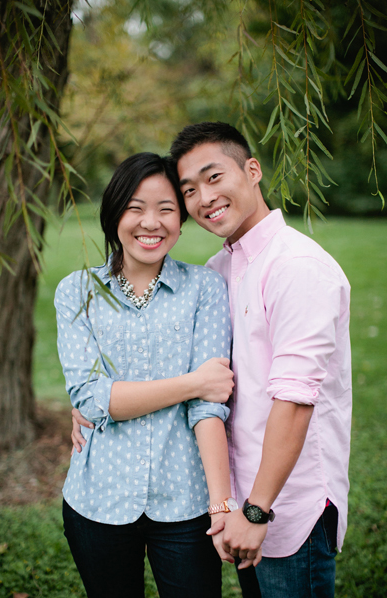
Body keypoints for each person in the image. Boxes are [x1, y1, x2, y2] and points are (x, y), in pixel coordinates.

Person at [73, 122, 352, 598]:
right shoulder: (220, 270)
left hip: (286, 505)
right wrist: (88, 401)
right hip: (238, 505)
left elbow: (295, 400)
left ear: (252, 170)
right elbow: (193, 374)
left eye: (214, 177)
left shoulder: (298, 268)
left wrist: (258, 510)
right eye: (189, 190)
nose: (204, 197)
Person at [55, 152, 237, 598]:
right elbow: (92, 400)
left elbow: (209, 406)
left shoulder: (205, 289)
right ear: (114, 213)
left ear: (181, 219)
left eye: (166, 209)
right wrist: (193, 382)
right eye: (135, 208)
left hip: (186, 500)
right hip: (97, 499)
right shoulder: (77, 292)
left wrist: (221, 502)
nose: (149, 223)